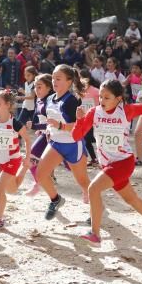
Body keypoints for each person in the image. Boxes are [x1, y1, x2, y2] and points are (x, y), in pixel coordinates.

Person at [73, 79, 142, 245]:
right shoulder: (94, 112)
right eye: (100, 97)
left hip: (123, 162)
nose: (101, 101)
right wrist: (79, 120)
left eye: (107, 97)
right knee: (131, 199)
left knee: (93, 189)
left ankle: (95, 233)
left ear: (119, 98)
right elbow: (76, 136)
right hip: (107, 164)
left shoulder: (126, 111)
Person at [35, 65, 91, 219]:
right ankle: (56, 199)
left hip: (73, 144)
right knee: (40, 175)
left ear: (69, 81)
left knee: (83, 181)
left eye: (58, 79)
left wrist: (60, 126)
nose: (54, 81)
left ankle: (96, 209)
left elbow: (78, 126)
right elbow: (50, 121)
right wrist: (48, 129)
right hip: (55, 143)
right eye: (53, 78)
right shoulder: (49, 99)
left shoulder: (71, 100)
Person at [0, 90, 33, 231]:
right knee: (13, 188)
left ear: (8, 105)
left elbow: (27, 139)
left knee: (0, 187)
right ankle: (26, 168)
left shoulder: (15, 123)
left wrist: (27, 157)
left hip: (13, 159)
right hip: (1, 160)